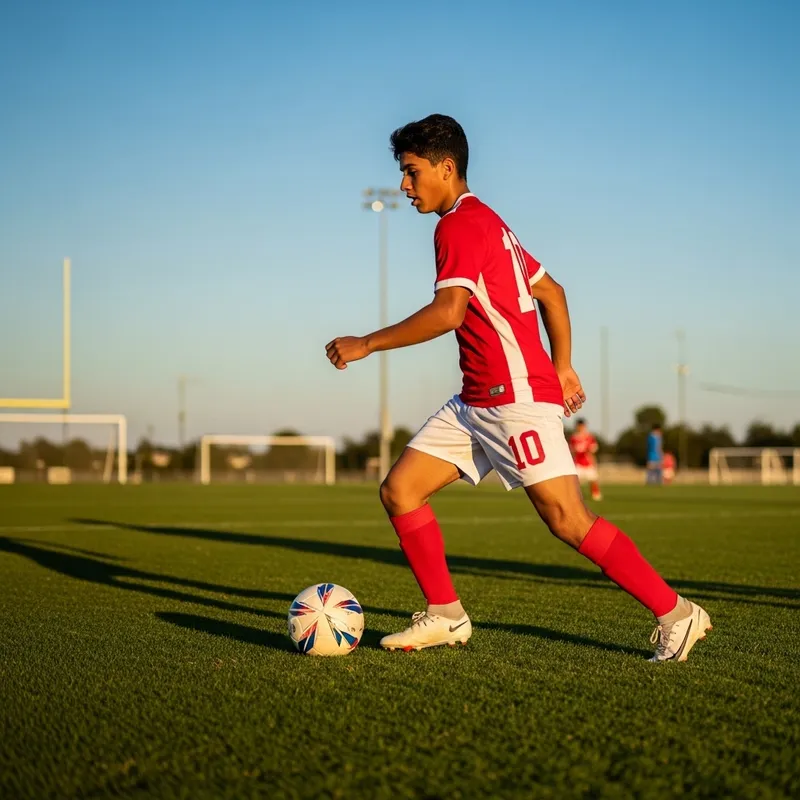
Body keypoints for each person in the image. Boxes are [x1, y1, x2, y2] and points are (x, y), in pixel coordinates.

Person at [325, 114, 710, 662]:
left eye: (411, 172)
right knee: (400, 490)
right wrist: (567, 365)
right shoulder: (492, 223)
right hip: (477, 399)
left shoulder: (458, 225)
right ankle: (445, 615)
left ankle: (678, 613)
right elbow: (552, 291)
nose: (405, 186)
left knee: (568, 520)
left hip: (514, 400)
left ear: (446, 166)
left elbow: (448, 312)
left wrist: (366, 342)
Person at [569, 418, 602, 501]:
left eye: (582, 426)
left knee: (593, 479)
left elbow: (593, 449)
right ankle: (575, 495)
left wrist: (591, 456)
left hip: (588, 462)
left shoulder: (589, 437)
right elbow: (572, 450)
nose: (580, 427)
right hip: (578, 463)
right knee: (575, 481)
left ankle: (596, 495)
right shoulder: (574, 438)